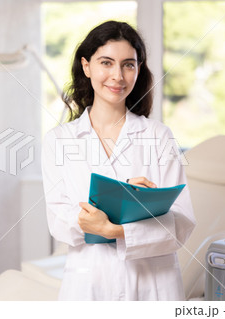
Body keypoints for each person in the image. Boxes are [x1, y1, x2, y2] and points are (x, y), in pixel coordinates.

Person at [41, 20, 196, 301]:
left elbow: (182, 223)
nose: (118, 76)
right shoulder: (59, 140)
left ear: (138, 69)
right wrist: (127, 206)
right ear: (87, 66)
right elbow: (59, 221)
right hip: (90, 282)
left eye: (128, 64)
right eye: (106, 63)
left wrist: (115, 228)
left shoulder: (159, 136)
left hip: (153, 285)